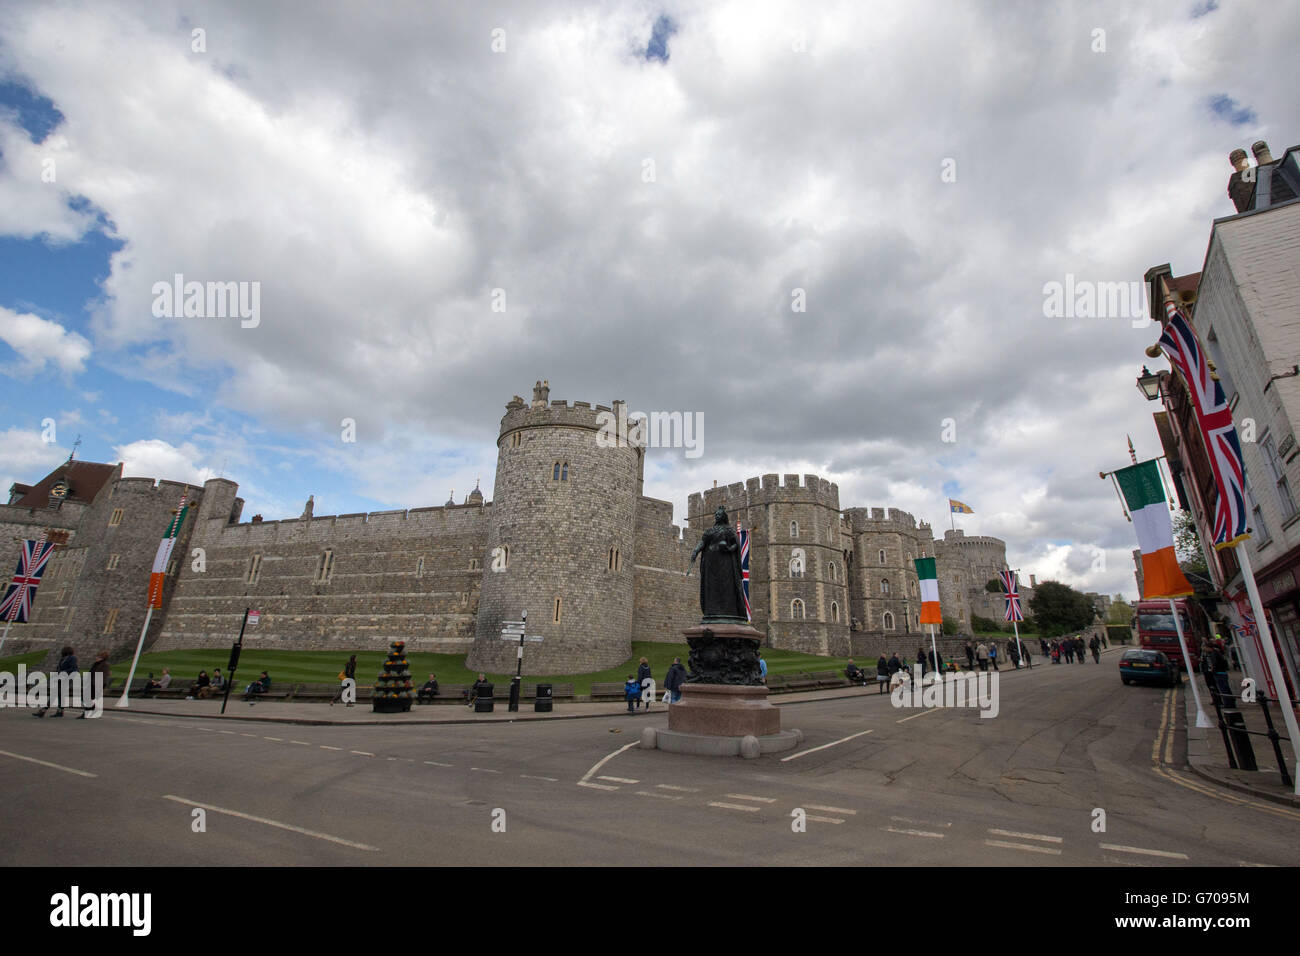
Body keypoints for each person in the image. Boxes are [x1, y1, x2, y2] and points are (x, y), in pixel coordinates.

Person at [34, 646, 78, 718]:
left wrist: (62, 672)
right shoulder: (62, 659)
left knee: (55, 693)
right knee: (59, 694)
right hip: (61, 678)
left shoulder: (72, 658)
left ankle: (43, 710)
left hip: (67, 678)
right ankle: (60, 711)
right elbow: (59, 668)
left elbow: (74, 669)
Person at [79, 649, 110, 718]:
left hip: (96, 685)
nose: (96, 658)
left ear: (102, 657)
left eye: (98, 656)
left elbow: (104, 676)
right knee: (85, 697)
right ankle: (93, 708)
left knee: (87, 697)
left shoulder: (105, 664)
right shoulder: (96, 664)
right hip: (91, 683)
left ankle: (86, 713)